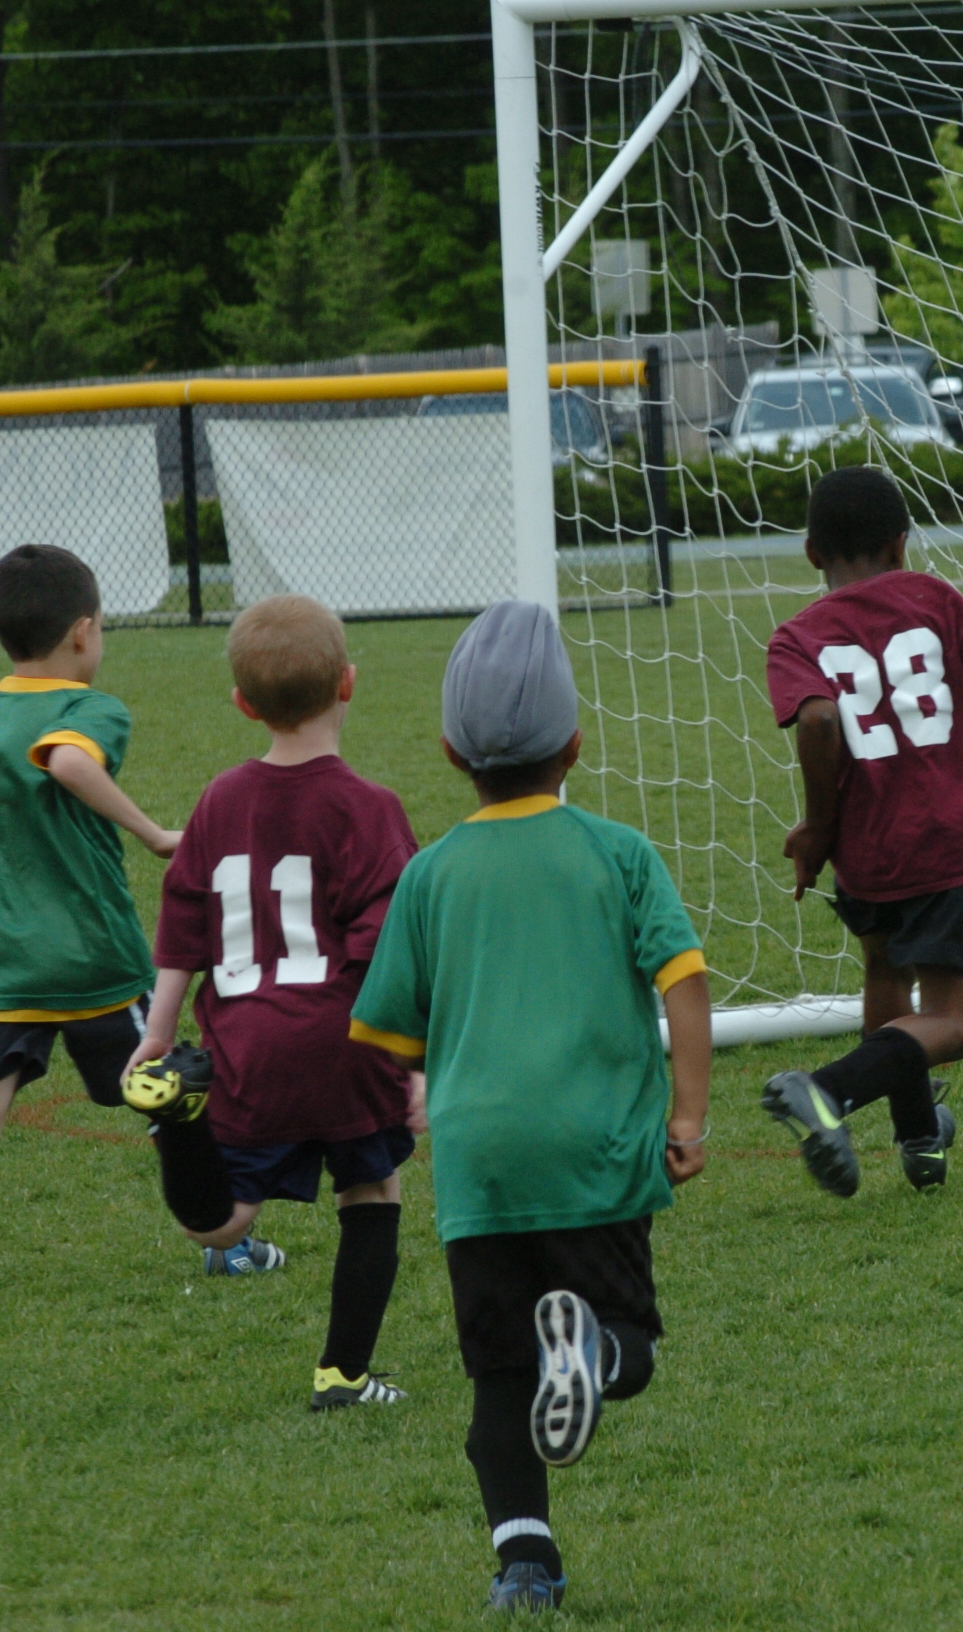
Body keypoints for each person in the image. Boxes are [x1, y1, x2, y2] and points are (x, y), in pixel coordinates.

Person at [348, 601, 711, 1614]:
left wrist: (425, 1088)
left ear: (449, 752)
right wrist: (687, 1117)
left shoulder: (429, 875)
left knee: (500, 1379)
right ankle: (592, 1351)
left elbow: (385, 1034)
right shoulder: (618, 853)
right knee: (628, 1343)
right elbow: (684, 982)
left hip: (483, 1164)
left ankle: (525, 1567)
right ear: (576, 744)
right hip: (595, 1150)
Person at [118, 596, 424, 1416]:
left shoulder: (219, 800)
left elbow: (184, 920)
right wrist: (415, 1061)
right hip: (348, 1043)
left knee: (218, 1226)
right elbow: (392, 949)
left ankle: (180, 1125)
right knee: (374, 1192)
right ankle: (343, 1377)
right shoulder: (371, 807)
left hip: (246, 1047)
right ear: (348, 683)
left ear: (242, 704)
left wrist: (157, 1031)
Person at [761, 466, 963, 1198]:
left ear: (812, 553)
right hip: (948, 835)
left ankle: (919, 1137)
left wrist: (819, 828)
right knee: (954, 1023)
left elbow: (819, 719)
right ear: (902, 544)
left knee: (887, 972)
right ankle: (825, 1091)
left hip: (867, 842)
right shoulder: (933, 598)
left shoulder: (795, 637)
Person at [0, 543, 179, 1157]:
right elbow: (69, 761)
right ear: (83, 632)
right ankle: (216, 1215)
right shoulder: (90, 708)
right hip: (97, 961)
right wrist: (154, 833)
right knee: (167, 1096)